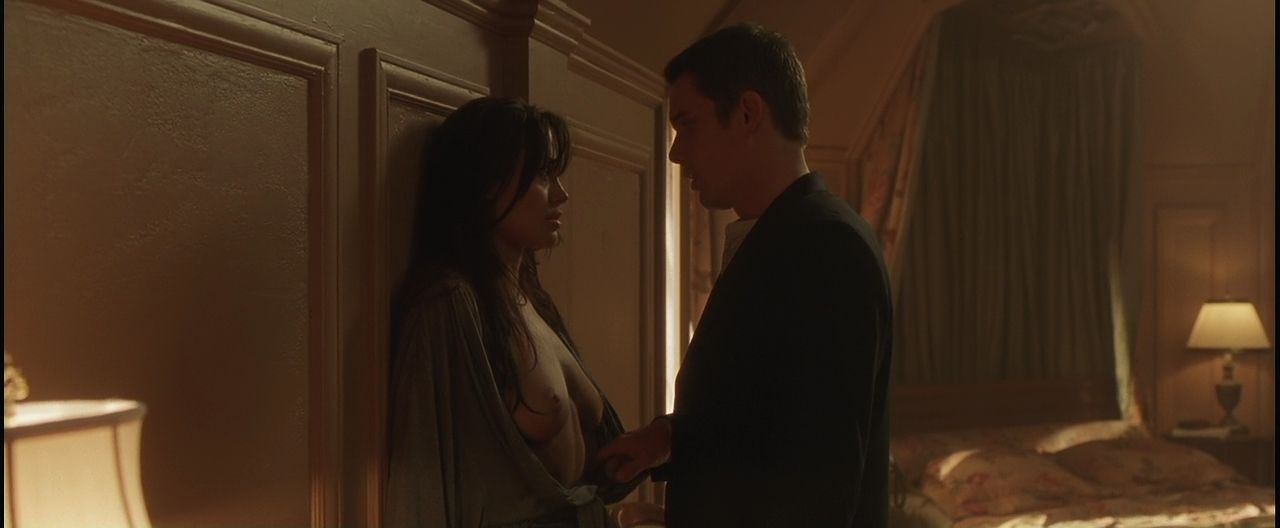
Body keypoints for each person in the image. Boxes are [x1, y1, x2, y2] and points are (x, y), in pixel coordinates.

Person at [595, 24, 894, 527]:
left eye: (688, 124)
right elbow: (768, 417)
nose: (675, 152)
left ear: (749, 113)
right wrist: (667, 439)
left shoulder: (827, 246)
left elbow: (818, 478)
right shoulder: (783, 235)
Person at [385, 96, 640, 528]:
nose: (561, 193)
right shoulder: (448, 302)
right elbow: (422, 475)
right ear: (487, 184)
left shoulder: (529, 297)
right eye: (542, 175)